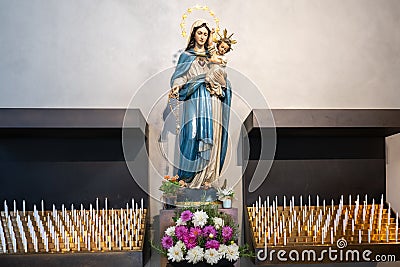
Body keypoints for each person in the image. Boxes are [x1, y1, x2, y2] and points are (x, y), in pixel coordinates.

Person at [169, 19, 232, 189]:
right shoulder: (186, 56)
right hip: (194, 99)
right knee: (192, 134)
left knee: (212, 137)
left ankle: (207, 180)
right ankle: (188, 179)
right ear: (193, 34)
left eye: (206, 33)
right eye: (200, 33)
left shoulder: (213, 56)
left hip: (212, 101)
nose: (203, 36)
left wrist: (221, 83)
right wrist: (177, 85)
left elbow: (221, 76)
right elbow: (180, 76)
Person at [206, 29, 235, 97]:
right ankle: (212, 87)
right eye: (222, 47)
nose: (223, 50)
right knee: (211, 72)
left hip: (219, 72)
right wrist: (211, 34)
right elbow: (210, 43)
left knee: (216, 69)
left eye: (225, 49)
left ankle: (216, 89)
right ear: (218, 45)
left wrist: (210, 60)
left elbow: (215, 60)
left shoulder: (224, 58)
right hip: (211, 71)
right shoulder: (213, 52)